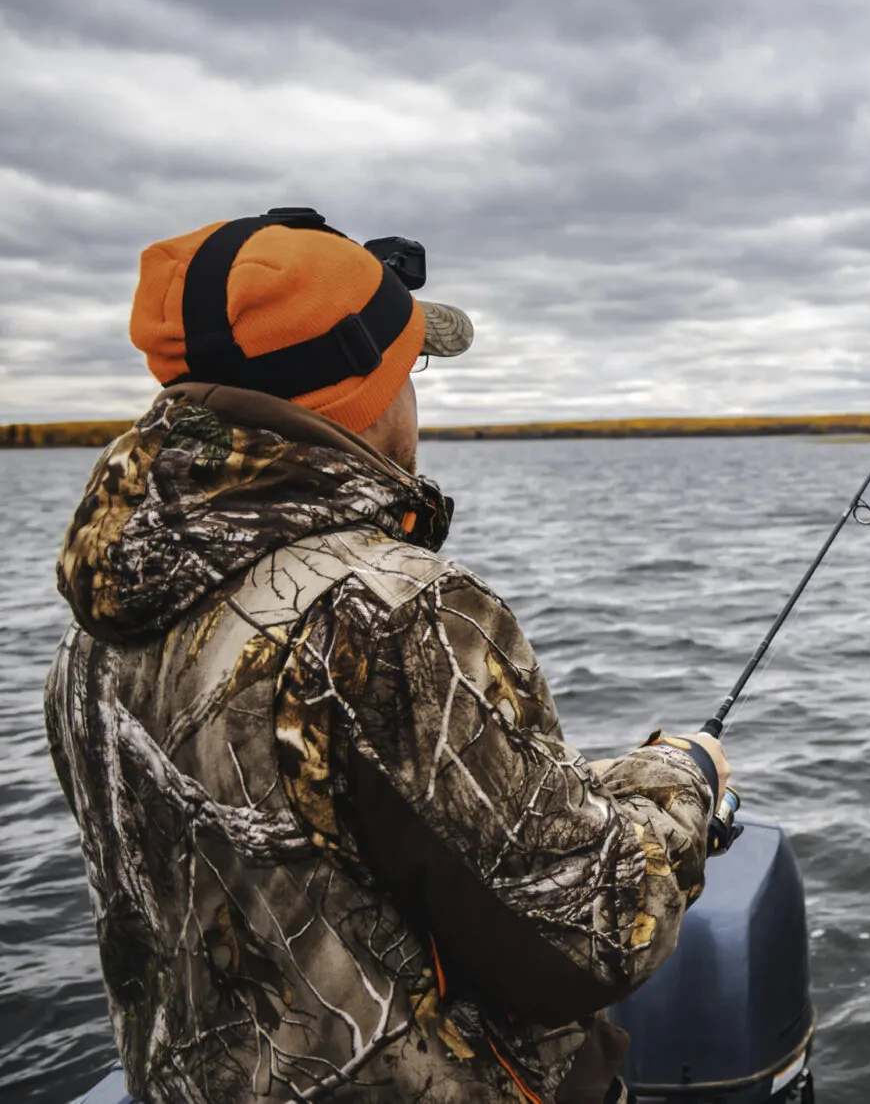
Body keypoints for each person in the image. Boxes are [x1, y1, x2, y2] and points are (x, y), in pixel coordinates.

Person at [44, 208, 729, 1103]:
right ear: (360, 393)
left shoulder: (96, 623)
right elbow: (595, 932)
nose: (414, 400)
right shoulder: (391, 614)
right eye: (411, 371)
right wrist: (683, 782)